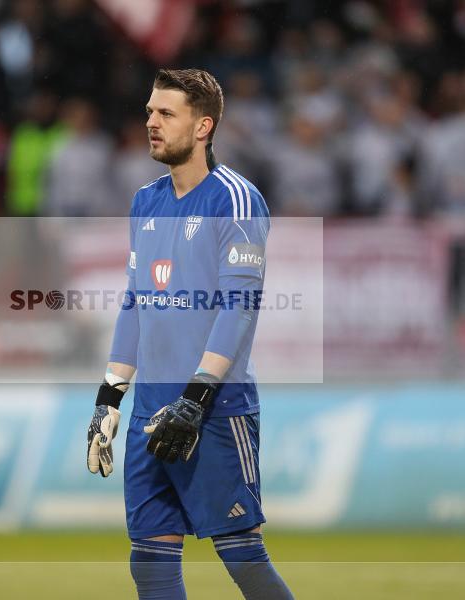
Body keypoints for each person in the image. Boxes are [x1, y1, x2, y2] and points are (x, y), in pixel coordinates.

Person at [86, 68, 294, 600]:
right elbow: (137, 304)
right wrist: (109, 398)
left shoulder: (237, 200)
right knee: (150, 559)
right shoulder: (146, 202)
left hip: (216, 408)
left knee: (242, 556)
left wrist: (197, 398)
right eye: (150, 111)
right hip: (150, 408)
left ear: (203, 126)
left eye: (166, 114)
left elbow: (238, 306)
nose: (151, 123)